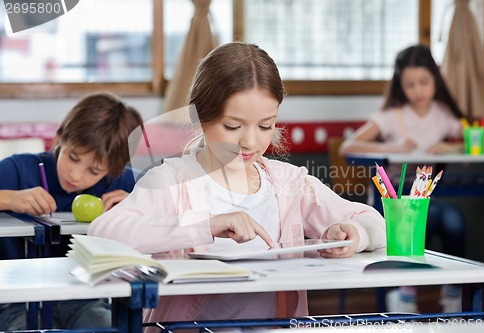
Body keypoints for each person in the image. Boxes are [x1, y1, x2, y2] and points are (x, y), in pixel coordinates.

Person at [88, 41, 386, 328]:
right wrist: (206, 224)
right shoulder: (172, 181)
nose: (250, 141)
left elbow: (375, 224)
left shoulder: (289, 184)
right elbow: (102, 234)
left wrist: (353, 233)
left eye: (265, 126)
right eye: (233, 126)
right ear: (201, 117)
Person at [340, 45, 484, 313]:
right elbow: (348, 146)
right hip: (393, 200)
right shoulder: (392, 117)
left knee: (453, 222)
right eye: (410, 84)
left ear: (435, 81)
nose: (418, 90)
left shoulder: (442, 115)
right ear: (401, 86)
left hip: (425, 196)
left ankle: (452, 292)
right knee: (425, 218)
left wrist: (455, 147)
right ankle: (405, 292)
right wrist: (394, 148)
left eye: (424, 82)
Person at [0, 92, 143, 330]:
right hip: (18, 299)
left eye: (95, 171)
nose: (76, 175)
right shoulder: (18, 169)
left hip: (87, 297)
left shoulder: (123, 184)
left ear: (114, 170)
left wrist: (138, 207)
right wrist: (9, 198)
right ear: (59, 139)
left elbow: (178, 216)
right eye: (73, 157)